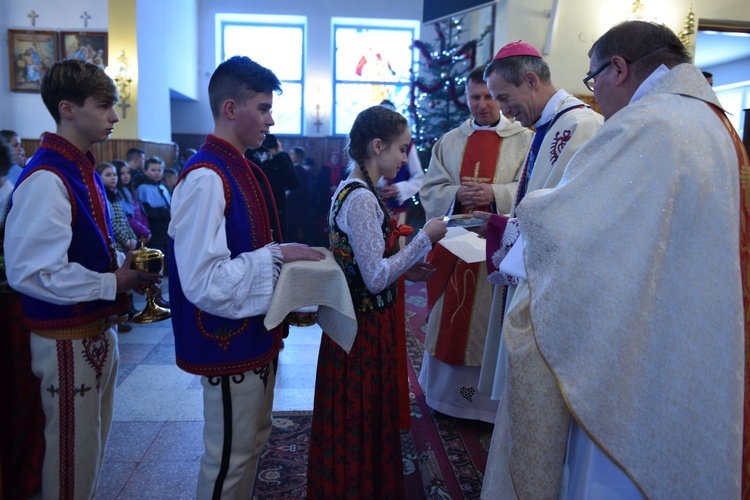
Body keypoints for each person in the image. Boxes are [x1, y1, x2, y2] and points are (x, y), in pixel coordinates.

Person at [481, 21, 746, 499]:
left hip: (637, 347)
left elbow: (573, 226)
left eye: (593, 79)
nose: (595, 95)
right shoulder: (711, 122)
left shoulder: (649, 123)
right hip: (690, 326)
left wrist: (514, 231)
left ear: (618, 68)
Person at [168, 55, 324, 499]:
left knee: (253, 443)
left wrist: (278, 257)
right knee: (229, 460)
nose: (271, 121)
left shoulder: (239, 166)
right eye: (263, 107)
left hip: (252, 333)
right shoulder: (205, 177)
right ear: (231, 108)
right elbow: (203, 280)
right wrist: (276, 254)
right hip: (225, 340)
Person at [3, 59, 160, 500]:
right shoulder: (47, 176)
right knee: (71, 454)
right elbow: (33, 271)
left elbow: (80, 244)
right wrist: (115, 282)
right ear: (68, 108)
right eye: (105, 105)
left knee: (88, 448)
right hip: (66, 339)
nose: (114, 117)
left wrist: (122, 261)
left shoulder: (80, 168)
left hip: (92, 330)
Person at [307, 104, 447, 498]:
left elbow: (371, 262)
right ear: (377, 145)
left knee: (359, 418)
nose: (405, 159)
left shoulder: (352, 188)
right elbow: (375, 278)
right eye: (402, 149)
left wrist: (409, 267)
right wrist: (424, 239)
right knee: (361, 417)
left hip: (361, 322)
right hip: (363, 330)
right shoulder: (362, 198)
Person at [476, 41, 603, 402]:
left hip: (557, 286)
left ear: (531, 80)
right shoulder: (549, 126)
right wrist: (502, 222)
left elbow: (571, 218)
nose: (503, 109)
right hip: (532, 269)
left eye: (503, 97)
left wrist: (503, 229)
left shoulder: (580, 126)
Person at [417, 64, 532, 423]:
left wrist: (494, 193)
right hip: (454, 248)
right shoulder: (450, 141)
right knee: (450, 319)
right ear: (466, 97)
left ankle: (481, 404)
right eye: (474, 97)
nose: (482, 105)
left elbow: (535, 189)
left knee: (488, 323)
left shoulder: (524, 140)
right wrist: (456, 193)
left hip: (497, 250)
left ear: (500, 97)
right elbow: (430, 189)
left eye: (489, 97)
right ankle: (448, 398)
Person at [376, 100, 425, 243]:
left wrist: (398, 189)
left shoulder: (407, 146)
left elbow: (419, 177)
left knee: (396, 247)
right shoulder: (371, 143)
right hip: (371, 206)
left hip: (395, 209)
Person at [245, 133, 299, 239]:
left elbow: (293, 184)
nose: (264, 139)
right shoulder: (247, 156)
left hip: (276, 212)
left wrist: (278, 155)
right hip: (252, 211)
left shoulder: (280, 157)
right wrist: (249, 150)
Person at [136, 156, 171, 282]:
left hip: (165, 230)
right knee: (156, 264)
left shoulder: (163, 187)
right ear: (146, 171)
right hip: (154, 230)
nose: (157, 173)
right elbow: (148, 212)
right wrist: (168, 213)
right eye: (153, 170)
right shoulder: (143, 188)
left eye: (159, 170)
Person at [114, 158, 151, 243]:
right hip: (130, 237)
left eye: (128, 173)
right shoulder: (117, 193)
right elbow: (128, 218)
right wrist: (144, 232)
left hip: (140, 235)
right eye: (122, 173)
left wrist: (146, 231)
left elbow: (142, 213)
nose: (126, 176)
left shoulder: (131, 191)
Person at [286, 146, 315, 244]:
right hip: (293, 203)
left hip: (299, 204)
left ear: (298, 156)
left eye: (293, 154)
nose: (291, 156)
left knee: (299, 228)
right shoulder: (294, 169)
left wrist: (289, 193)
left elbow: (302, 188)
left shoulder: (300, 171)